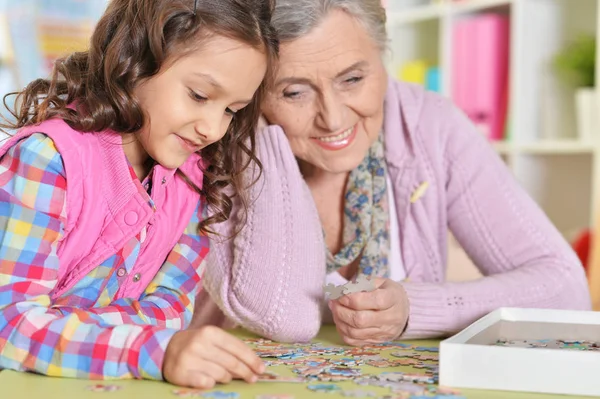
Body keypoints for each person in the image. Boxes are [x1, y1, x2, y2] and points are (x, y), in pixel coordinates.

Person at [194, 0, 592, 345]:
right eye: (294, 92)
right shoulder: (220, 140)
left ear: (384, 59)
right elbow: (284, 317)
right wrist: (253, 126)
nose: (333, 118)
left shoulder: (428, 127)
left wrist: (414, 308)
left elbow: (565, 289)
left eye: (353, 79)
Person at [0, 0, 279, 389]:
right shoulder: (46, 159)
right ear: (134, 60)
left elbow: (171, 310)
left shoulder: (196, 177)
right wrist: (151, 350)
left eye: (232, 109)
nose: (214, 129)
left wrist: (57, 323)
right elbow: (8, 325)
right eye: (199, 95)